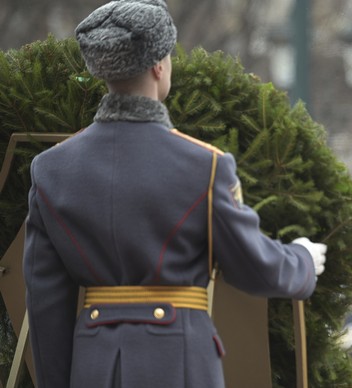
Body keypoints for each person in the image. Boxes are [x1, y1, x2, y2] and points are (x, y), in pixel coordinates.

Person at [23, 1, 326, 387]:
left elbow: (45, 301)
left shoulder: (50, 169)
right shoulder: (205, 164)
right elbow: (255, 266)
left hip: (94, 367)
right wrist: (301, 259)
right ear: (158, 65)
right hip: (180, 363)